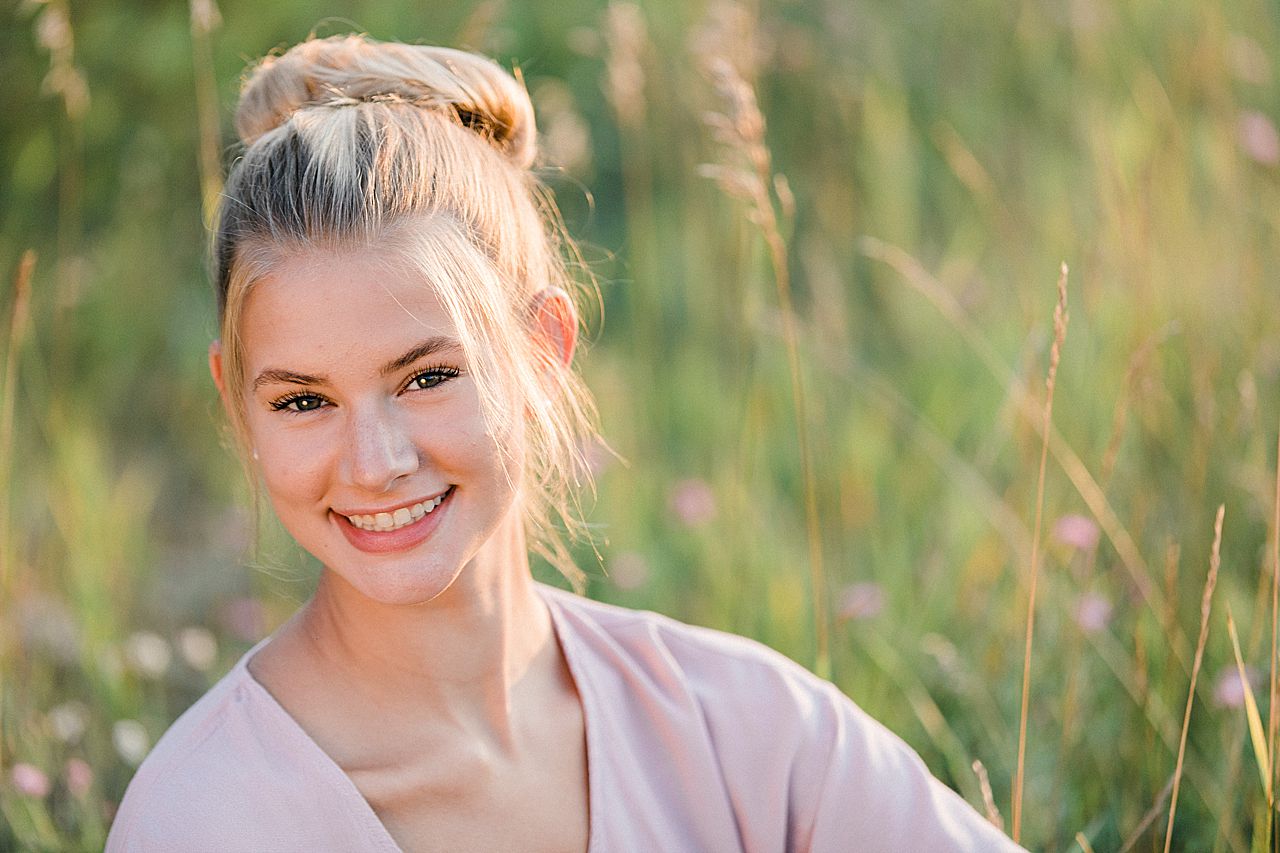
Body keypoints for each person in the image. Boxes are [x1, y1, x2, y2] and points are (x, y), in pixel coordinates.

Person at [105, 34, 1023, 852]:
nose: (376, 461)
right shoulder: (203, 819)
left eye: (427, 377)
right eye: (304, 400)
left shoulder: (749, 734)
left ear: (542, 351)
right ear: (235, 400)